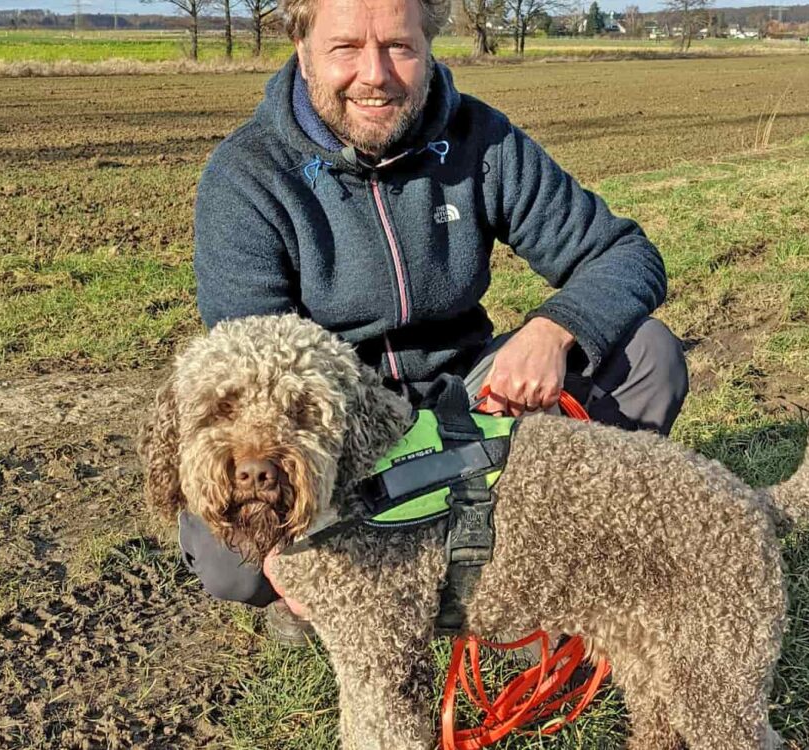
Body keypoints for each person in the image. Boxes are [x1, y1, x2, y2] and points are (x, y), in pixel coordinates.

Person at [184, 0, 688, 642]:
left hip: (469, 398)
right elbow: (255, 378)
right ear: (302, 47)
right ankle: (332, 573)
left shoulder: (483, 141)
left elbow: (624, 254)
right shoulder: (247, 176)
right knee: (228, 561)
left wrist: (552, 329)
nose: (375, 75)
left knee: (648, 356)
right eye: (345, 48)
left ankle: (558, 553)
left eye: (399, 46)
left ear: (429, 48)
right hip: (341, 426)